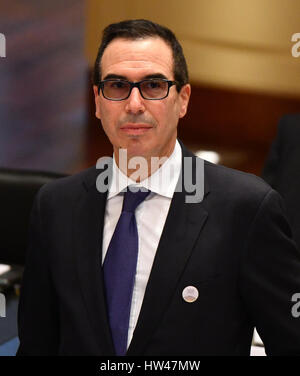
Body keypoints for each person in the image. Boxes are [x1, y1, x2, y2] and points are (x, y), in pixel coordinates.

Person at [17, 19, 300, 356]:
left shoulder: (247, 209)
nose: (134, 104)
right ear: (97, 100)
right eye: (117, 86)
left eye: (153, 86)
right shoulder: (55, 206)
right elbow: (37, 346)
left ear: (183, 99)